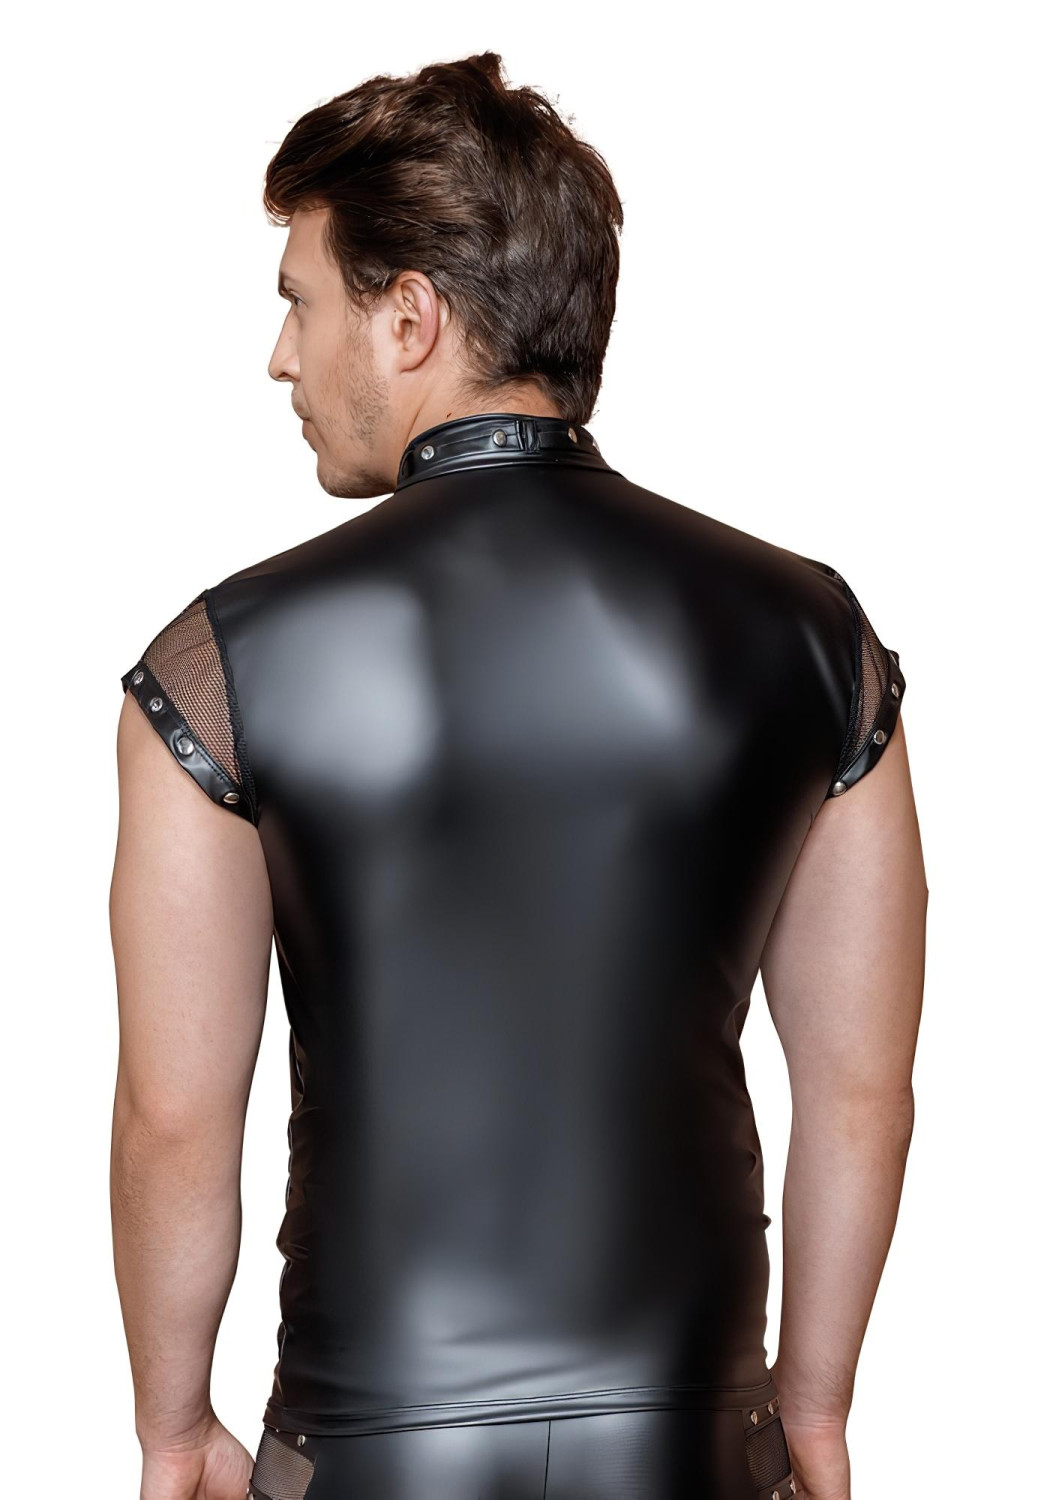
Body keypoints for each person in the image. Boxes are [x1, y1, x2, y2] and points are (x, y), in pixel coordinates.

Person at [109, 51, 928, 1500]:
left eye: (300, 301)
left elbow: (176, 1115)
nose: (282, 357)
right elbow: (858, 1088)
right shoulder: (815, 637)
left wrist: (174, 1427)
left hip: (365, 1452)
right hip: (691, 1447)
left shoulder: (223, 660)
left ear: (409, 316)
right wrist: (811, 1410)